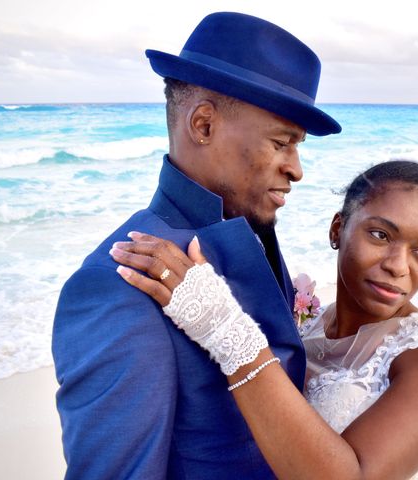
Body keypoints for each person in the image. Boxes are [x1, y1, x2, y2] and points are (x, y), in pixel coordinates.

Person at [112, 159, 418, 478]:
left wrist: (220, 324)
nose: (399, 264)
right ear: (337, 230)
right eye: (380, 234)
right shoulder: (303, 324)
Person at [52, 11, 341, 479]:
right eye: (281, 142)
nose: (297, 168)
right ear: (203, 125)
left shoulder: (249, 230)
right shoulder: (120, 286)